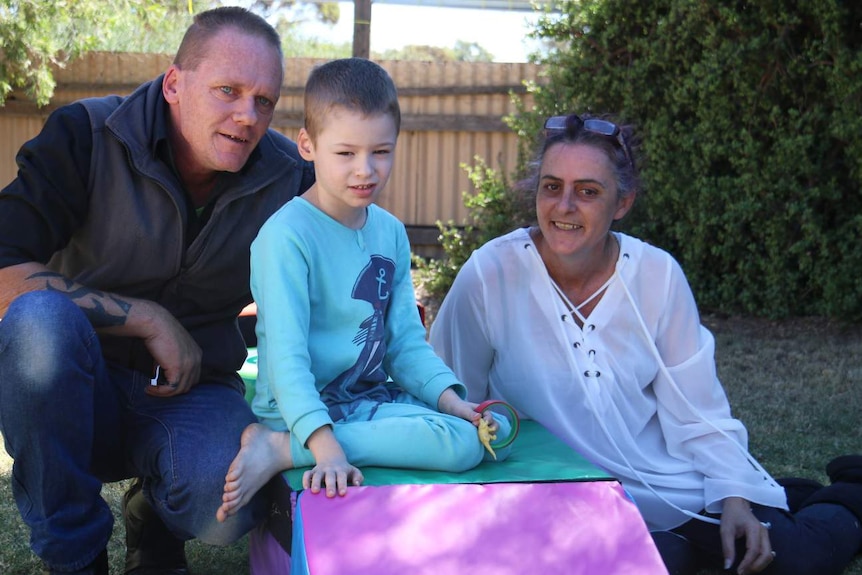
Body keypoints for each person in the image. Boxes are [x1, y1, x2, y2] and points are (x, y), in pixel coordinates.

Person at [429, 113, 862, 575]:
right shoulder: (491, 273)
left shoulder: (657, 275)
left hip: (670, 485)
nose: (564, 206)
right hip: (569, 501)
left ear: (622, 202)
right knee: (661, 563)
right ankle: (778, 495)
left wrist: (736, 499)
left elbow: (699, 411)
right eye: (552, 186)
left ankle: (849, 491)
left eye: (588, 191)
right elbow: (449, 396)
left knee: (793, 560)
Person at [0, 7, 314, 575]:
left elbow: (347, 271)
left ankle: (156, 521)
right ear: (175, 84)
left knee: (228, 504)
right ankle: (75, 559)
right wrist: (143, 317)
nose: (247, 115)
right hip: (75, 387)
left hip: (196, 390)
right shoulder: (85, 135)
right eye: (228, 90)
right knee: (37, 322)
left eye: (264, 101)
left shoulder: (291, 178)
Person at [215, 57, 508, 523]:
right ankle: (281, 448)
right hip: (301, 411)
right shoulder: (286, 236)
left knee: (493, 426)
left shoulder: (389, 231)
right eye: (346, 153)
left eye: (381, 152)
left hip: (367, 400)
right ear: (307, 146)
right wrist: (324, 446)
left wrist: (454, 402)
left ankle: (297, 446)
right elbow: (287, 361)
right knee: (460, 445)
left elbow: (406, 344)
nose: (365, 170)